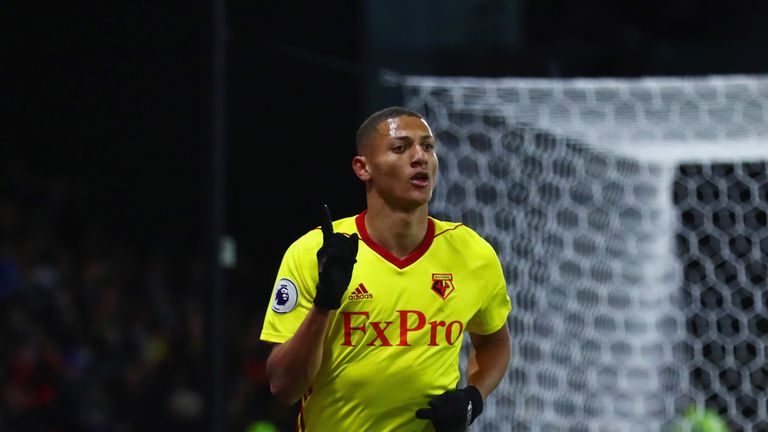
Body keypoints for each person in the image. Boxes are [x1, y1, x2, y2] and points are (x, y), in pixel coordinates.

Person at [259, 106, 512, 431]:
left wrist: (473, 398)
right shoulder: (314, 253)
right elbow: (283, 387)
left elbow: (496, 343)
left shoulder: (473, 254)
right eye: (401, 147)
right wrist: (324, 304)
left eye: (428, 146)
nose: (420, 157)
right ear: (363, 168)